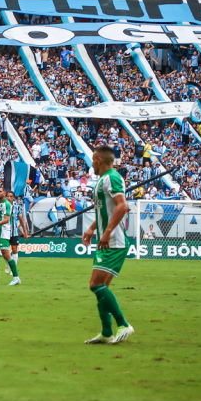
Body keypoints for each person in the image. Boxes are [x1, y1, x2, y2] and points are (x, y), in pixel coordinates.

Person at [81, 146, 134, 345]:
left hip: (114, 241)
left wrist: (107, 232)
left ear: (100, 160)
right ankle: (106, 333)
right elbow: (105, 210)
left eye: (93, 160)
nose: (92, 164)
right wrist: (92, 228)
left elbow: (122, 206)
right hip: (107, 240)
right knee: (102, 287)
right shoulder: (102, 181)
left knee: (96, 284)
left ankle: (123, 324)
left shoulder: (112, 177)